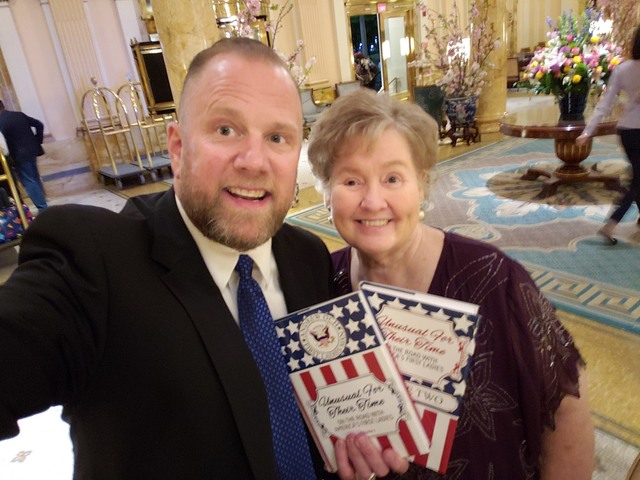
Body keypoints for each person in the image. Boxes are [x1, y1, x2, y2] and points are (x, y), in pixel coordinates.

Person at [0, 37, 337, 479]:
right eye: (225, 130)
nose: (254, 161)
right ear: (177, 148)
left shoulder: (309, 257)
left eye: (277, 137)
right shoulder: (93, 263)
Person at [307, 88, 595, 480]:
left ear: (421, 185)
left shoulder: (494, 280)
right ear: (326, 192)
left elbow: (565, 409)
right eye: (351, 181)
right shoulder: (320, 284)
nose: (373, 201)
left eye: (392, 178)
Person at [576, 26, 640, 245]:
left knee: (637, 176)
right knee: (637, 181)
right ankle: (610, 224)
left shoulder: (623, 69)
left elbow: (604, 104)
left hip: (626, 132)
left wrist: (588, 131)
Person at [0, 100, 48, 211]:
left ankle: (43, 208)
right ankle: (44, 204)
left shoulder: (1, 122)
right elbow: (39, 124)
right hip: (32, 151)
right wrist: (37, 141)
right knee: (35, 178)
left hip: (18, 155)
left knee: (29, 181)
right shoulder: (18, 115)